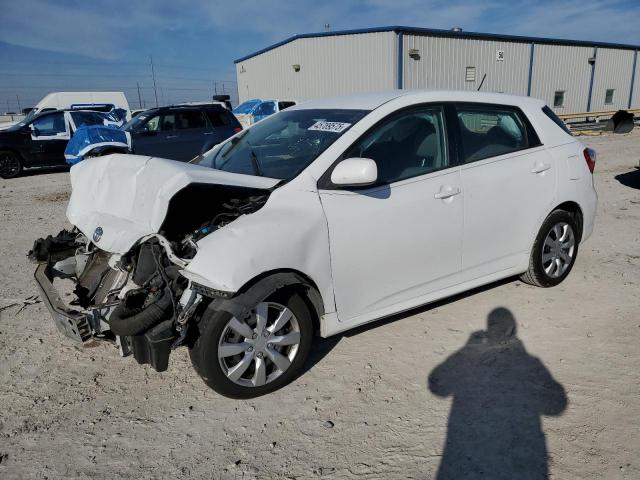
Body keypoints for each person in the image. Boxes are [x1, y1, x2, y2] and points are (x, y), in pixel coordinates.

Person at [429, 307, 567, 479]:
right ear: (512, 331)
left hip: (473, 457)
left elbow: (438, 386)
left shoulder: (475, 359)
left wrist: (466, 351)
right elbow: (557, 405)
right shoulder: (530, 363)